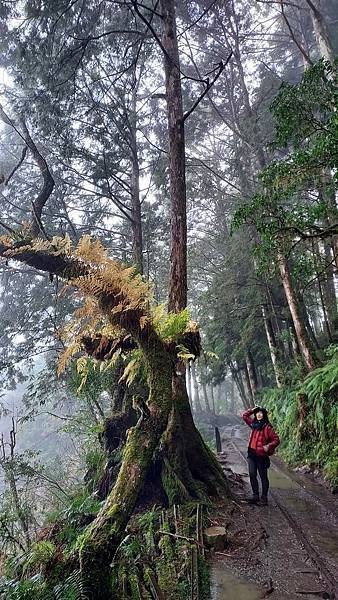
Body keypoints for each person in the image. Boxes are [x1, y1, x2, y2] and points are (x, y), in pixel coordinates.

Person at [242, 406, 280, 506]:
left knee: (263, 477)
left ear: (264, 415)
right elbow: (244, 416)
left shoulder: (267, 427)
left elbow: (276, 440)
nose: (259, 414)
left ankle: (264, 498)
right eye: (257, 413)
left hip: (261, 456)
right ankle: (255, 496)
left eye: (261, 413)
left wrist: (268, 446)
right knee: (252, 473)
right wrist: (252, 410)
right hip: (251, 454)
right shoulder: (253, 424)